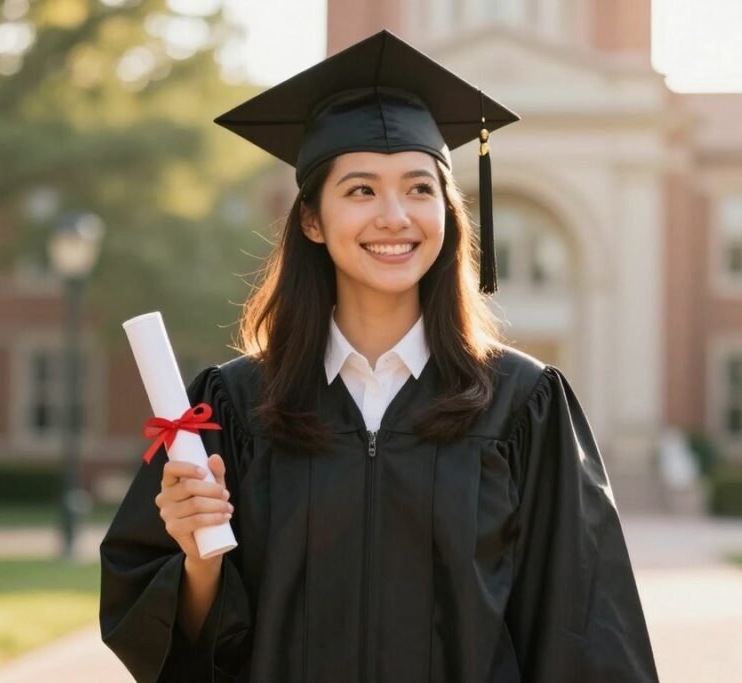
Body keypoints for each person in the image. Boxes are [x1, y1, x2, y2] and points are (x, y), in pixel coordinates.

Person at [100, 30, 658, 683]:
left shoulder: (521, 405)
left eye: (419, 189)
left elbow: (584, 629)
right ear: (311, 219)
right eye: (361, 190)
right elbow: (175, 644)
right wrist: (199, 561)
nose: (395, 216)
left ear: (448, 211)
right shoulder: (235, 406)